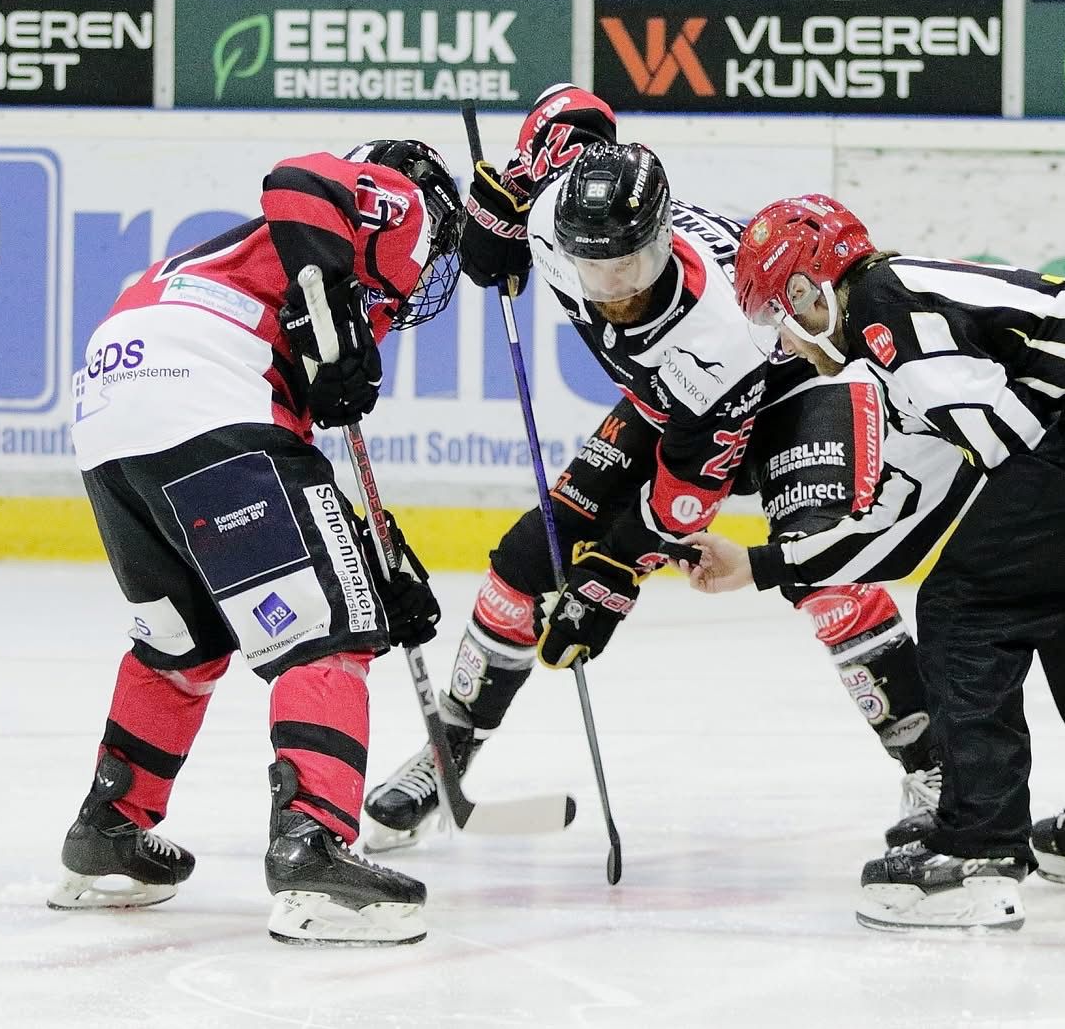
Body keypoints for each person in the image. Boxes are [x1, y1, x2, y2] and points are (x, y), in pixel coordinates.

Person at [361, 87, 976, 851]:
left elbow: (688, 495)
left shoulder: (717, 333)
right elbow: (573, 110)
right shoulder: (557, 214)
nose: (618, 288)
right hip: (669, 397)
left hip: (797, 383)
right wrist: (502, 214)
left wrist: (614, 576)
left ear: (662, 236)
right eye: (598, 270)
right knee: (523, 559)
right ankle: (448, 749)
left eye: (635, 264)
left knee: (823, 569)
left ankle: (935, 767)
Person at [683, 194, 1065, 932]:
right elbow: (919, 516)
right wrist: (763, 563)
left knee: (964, 609)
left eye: (775, 316)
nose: (784, 343)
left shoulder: (886, 305)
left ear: (808, 290)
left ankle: (976, 852)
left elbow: (992, 456)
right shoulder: (906, 329)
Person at [50, 140, 463, 947]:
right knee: (327, 628)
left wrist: (366, 552)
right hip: (203, 390)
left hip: (113, 411)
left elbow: (280, 472)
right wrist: (330, 293)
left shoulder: (250, 265)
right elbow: (301, 177)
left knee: (185, 639)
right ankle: (313, 844)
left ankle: (108, 828)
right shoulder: (394, 203)